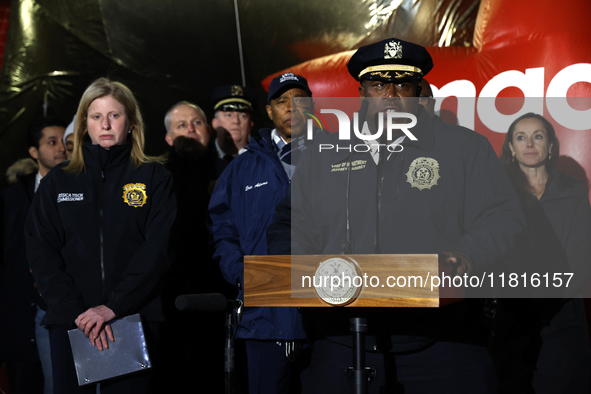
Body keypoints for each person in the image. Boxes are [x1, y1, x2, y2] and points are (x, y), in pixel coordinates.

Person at [275, 38, 525, 393]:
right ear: (362, 92)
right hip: (337, 342)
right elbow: (290, 223)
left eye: (402, 84)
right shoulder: (322, 155)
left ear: (418, 91)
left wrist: (470, 254)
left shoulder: (465, 148)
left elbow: (502, 218)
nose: (391, 94)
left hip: (443, 345)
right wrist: (296, 263)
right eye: (379, 84)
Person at [25, 78, 176, 393]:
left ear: (131, 122)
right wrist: (77, 312)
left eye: (115, 115)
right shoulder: (58, 182)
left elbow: (158, 249)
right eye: (96, 116)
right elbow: (41, 251)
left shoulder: (154, 177)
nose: (105, 124)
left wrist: (113, 307)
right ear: (84, 125)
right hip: (71, 322)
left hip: (133, 319)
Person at [209, 73, 317, 393]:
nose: (291, 108)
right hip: (264, 317)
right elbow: (222, 229)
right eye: (282, 101)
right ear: (269, 112)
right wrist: (241, 273)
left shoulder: (338, 157)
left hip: (324, 316)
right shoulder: (240, 170)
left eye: (299, 100)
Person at [492, 112, 591, 393]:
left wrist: (543, 303)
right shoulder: (498, 195)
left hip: (561, 314)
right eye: (520, 137)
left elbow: (580, 257)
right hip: (511, 313)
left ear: (550, 146)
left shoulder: (572, 191)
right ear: (511, 148)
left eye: (538, 136)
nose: (530, 144)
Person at [160, 101, 234, 393]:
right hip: (169, 295)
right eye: (181, 125)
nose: (190, 129)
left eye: (197, 123)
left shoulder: (231, 172)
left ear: (209, 130)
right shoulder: (155, 178)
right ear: (168, 138)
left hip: (219, 290)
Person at [0, 117, 67, 394]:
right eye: (51, 142)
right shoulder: (11, 200)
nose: (61, 149)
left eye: (65, 142)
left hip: (62, 318)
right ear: (33, 151)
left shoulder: (83, 194)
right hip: (18, 324)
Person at [209, 84, 256, 170]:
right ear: (214, 123)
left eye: (242, 116)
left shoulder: (264, 159)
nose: (236, 121)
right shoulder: (202, 159)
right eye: (229, 115)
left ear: (251, 124)